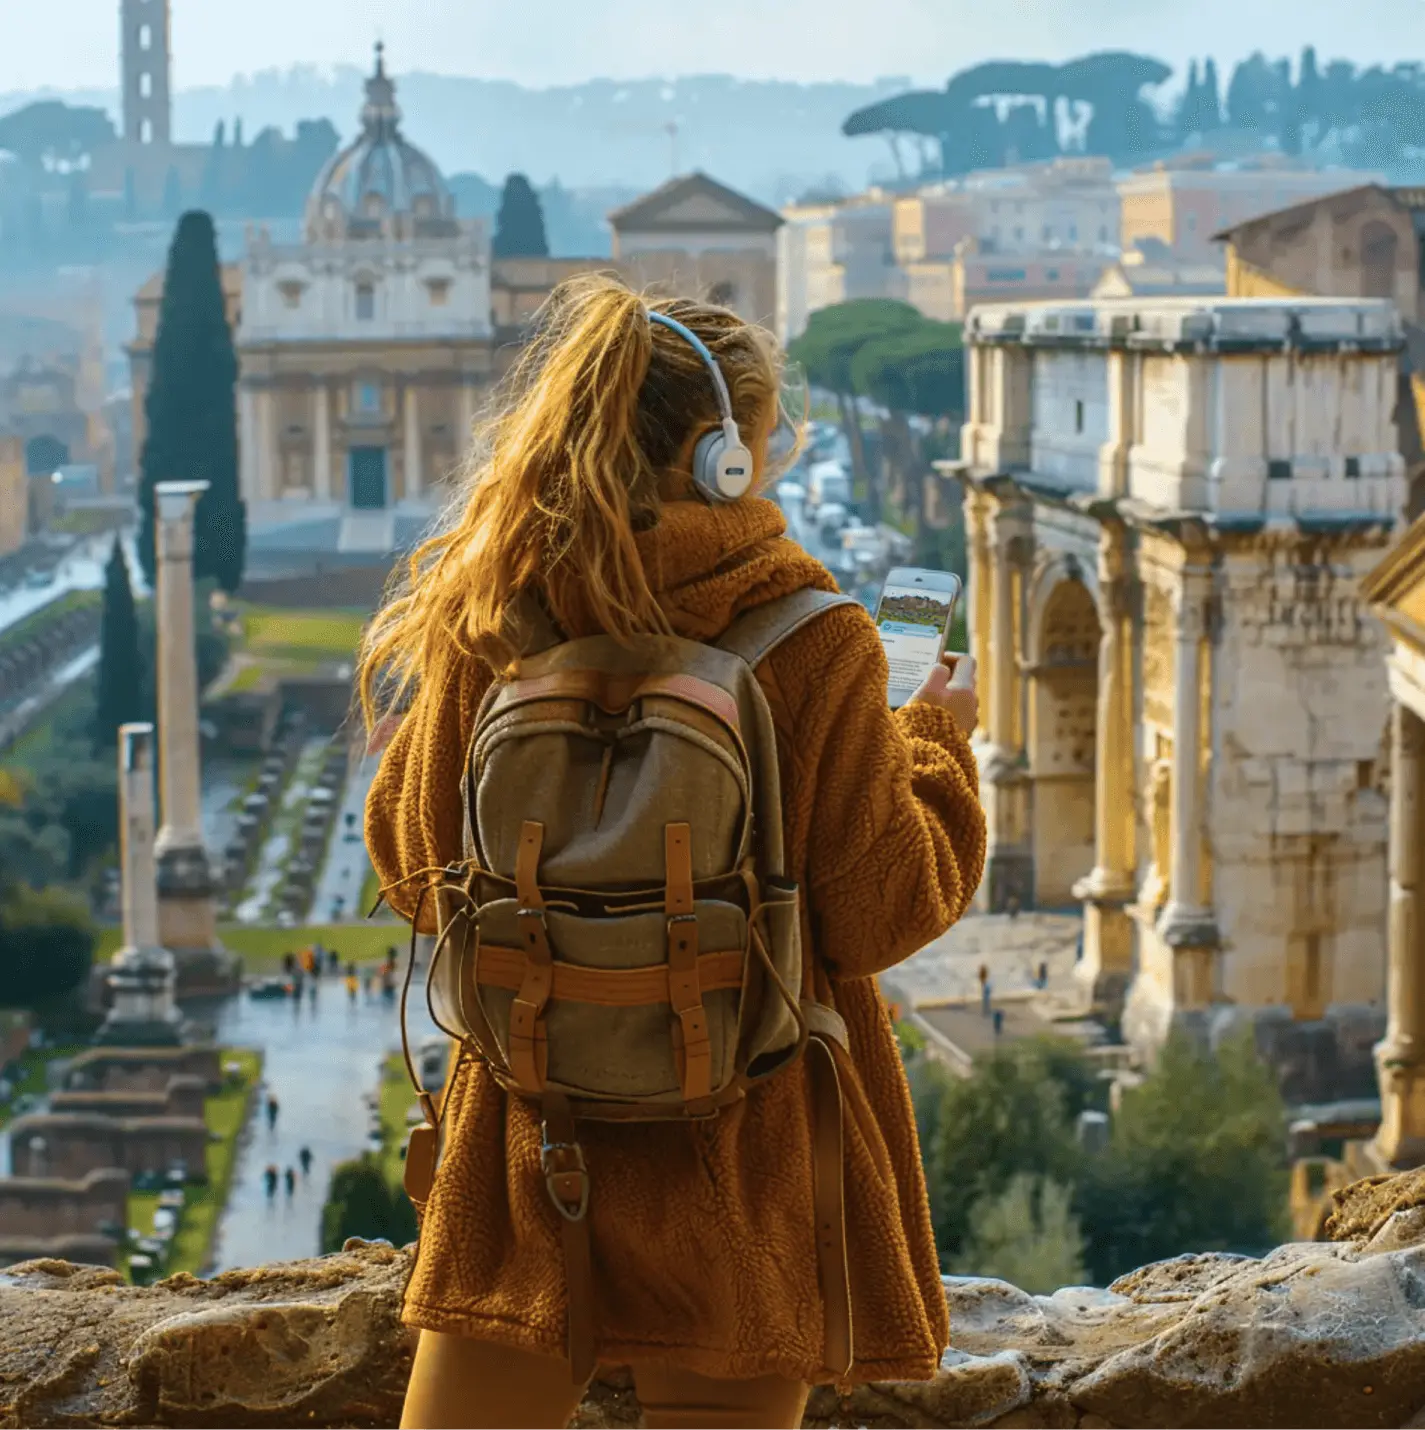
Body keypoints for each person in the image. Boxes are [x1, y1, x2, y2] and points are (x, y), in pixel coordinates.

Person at [359, 276, 984, 1430]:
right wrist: (934, 740)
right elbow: (879, 908)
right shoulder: (818, 639)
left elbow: (413, 863)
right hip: (743, 1162)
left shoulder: (493, 611)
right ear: (726, 459)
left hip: (535, 1150)